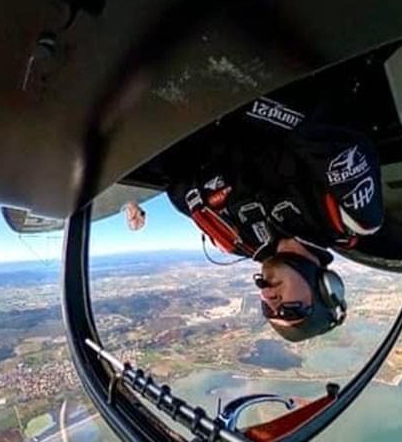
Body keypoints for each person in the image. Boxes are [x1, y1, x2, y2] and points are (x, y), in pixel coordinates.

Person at [125, 97, 383, 341]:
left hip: (163, 106)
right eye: (290, 311)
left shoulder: (230, 240)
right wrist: (227, 100)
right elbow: (317, 124)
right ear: (327, 290)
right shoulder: (349, 215)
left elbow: (176, 180)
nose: (270, 299)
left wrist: (131, 191)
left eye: (267, 310)